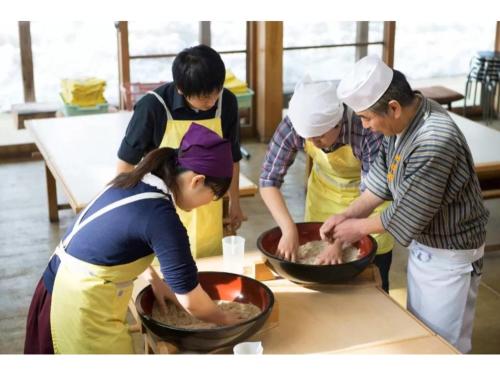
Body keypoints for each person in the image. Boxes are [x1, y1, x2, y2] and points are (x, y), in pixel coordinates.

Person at [320, 55, 489, 353]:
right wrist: (345, 215)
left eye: (366, 118)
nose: (365, 126)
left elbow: (407, 213)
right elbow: (380, 183)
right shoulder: (401, 124)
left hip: (450, 254)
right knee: (424, 336)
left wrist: (356, 229)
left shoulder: (433, 139)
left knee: (442, 348)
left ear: (393, 107)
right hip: (428, 249)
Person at [24, 124, 242, 354]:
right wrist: (225, 319)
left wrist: (154, 279)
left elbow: (122, 237)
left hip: (57, 284)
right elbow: (191, 301)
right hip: (75, 301)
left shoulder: (137, 179)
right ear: (197, 181)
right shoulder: (161, 217)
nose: (210, 203)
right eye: (214, 195)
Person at [259, 77, 394, 292]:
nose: (312, 142)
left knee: (368, 288)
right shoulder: (296, 122)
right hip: (322, 201)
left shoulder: (367, 128)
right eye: (307, 137)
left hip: (367, 208)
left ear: (337, 123)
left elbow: (373, 192)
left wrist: (338, 243)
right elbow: (268, 180)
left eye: (319, 136)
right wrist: (288, 229)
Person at [116, 44, 245, 259]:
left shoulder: (227, 102)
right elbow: (125, 163)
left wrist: (234, 202)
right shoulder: (153, 107)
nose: (212, 101)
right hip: (162, 207)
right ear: (181, 89)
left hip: (207, 202)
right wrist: (126, 213)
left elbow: (232, 157)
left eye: (216, 92)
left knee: (206, 267)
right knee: (168, 268)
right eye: (205, 98)